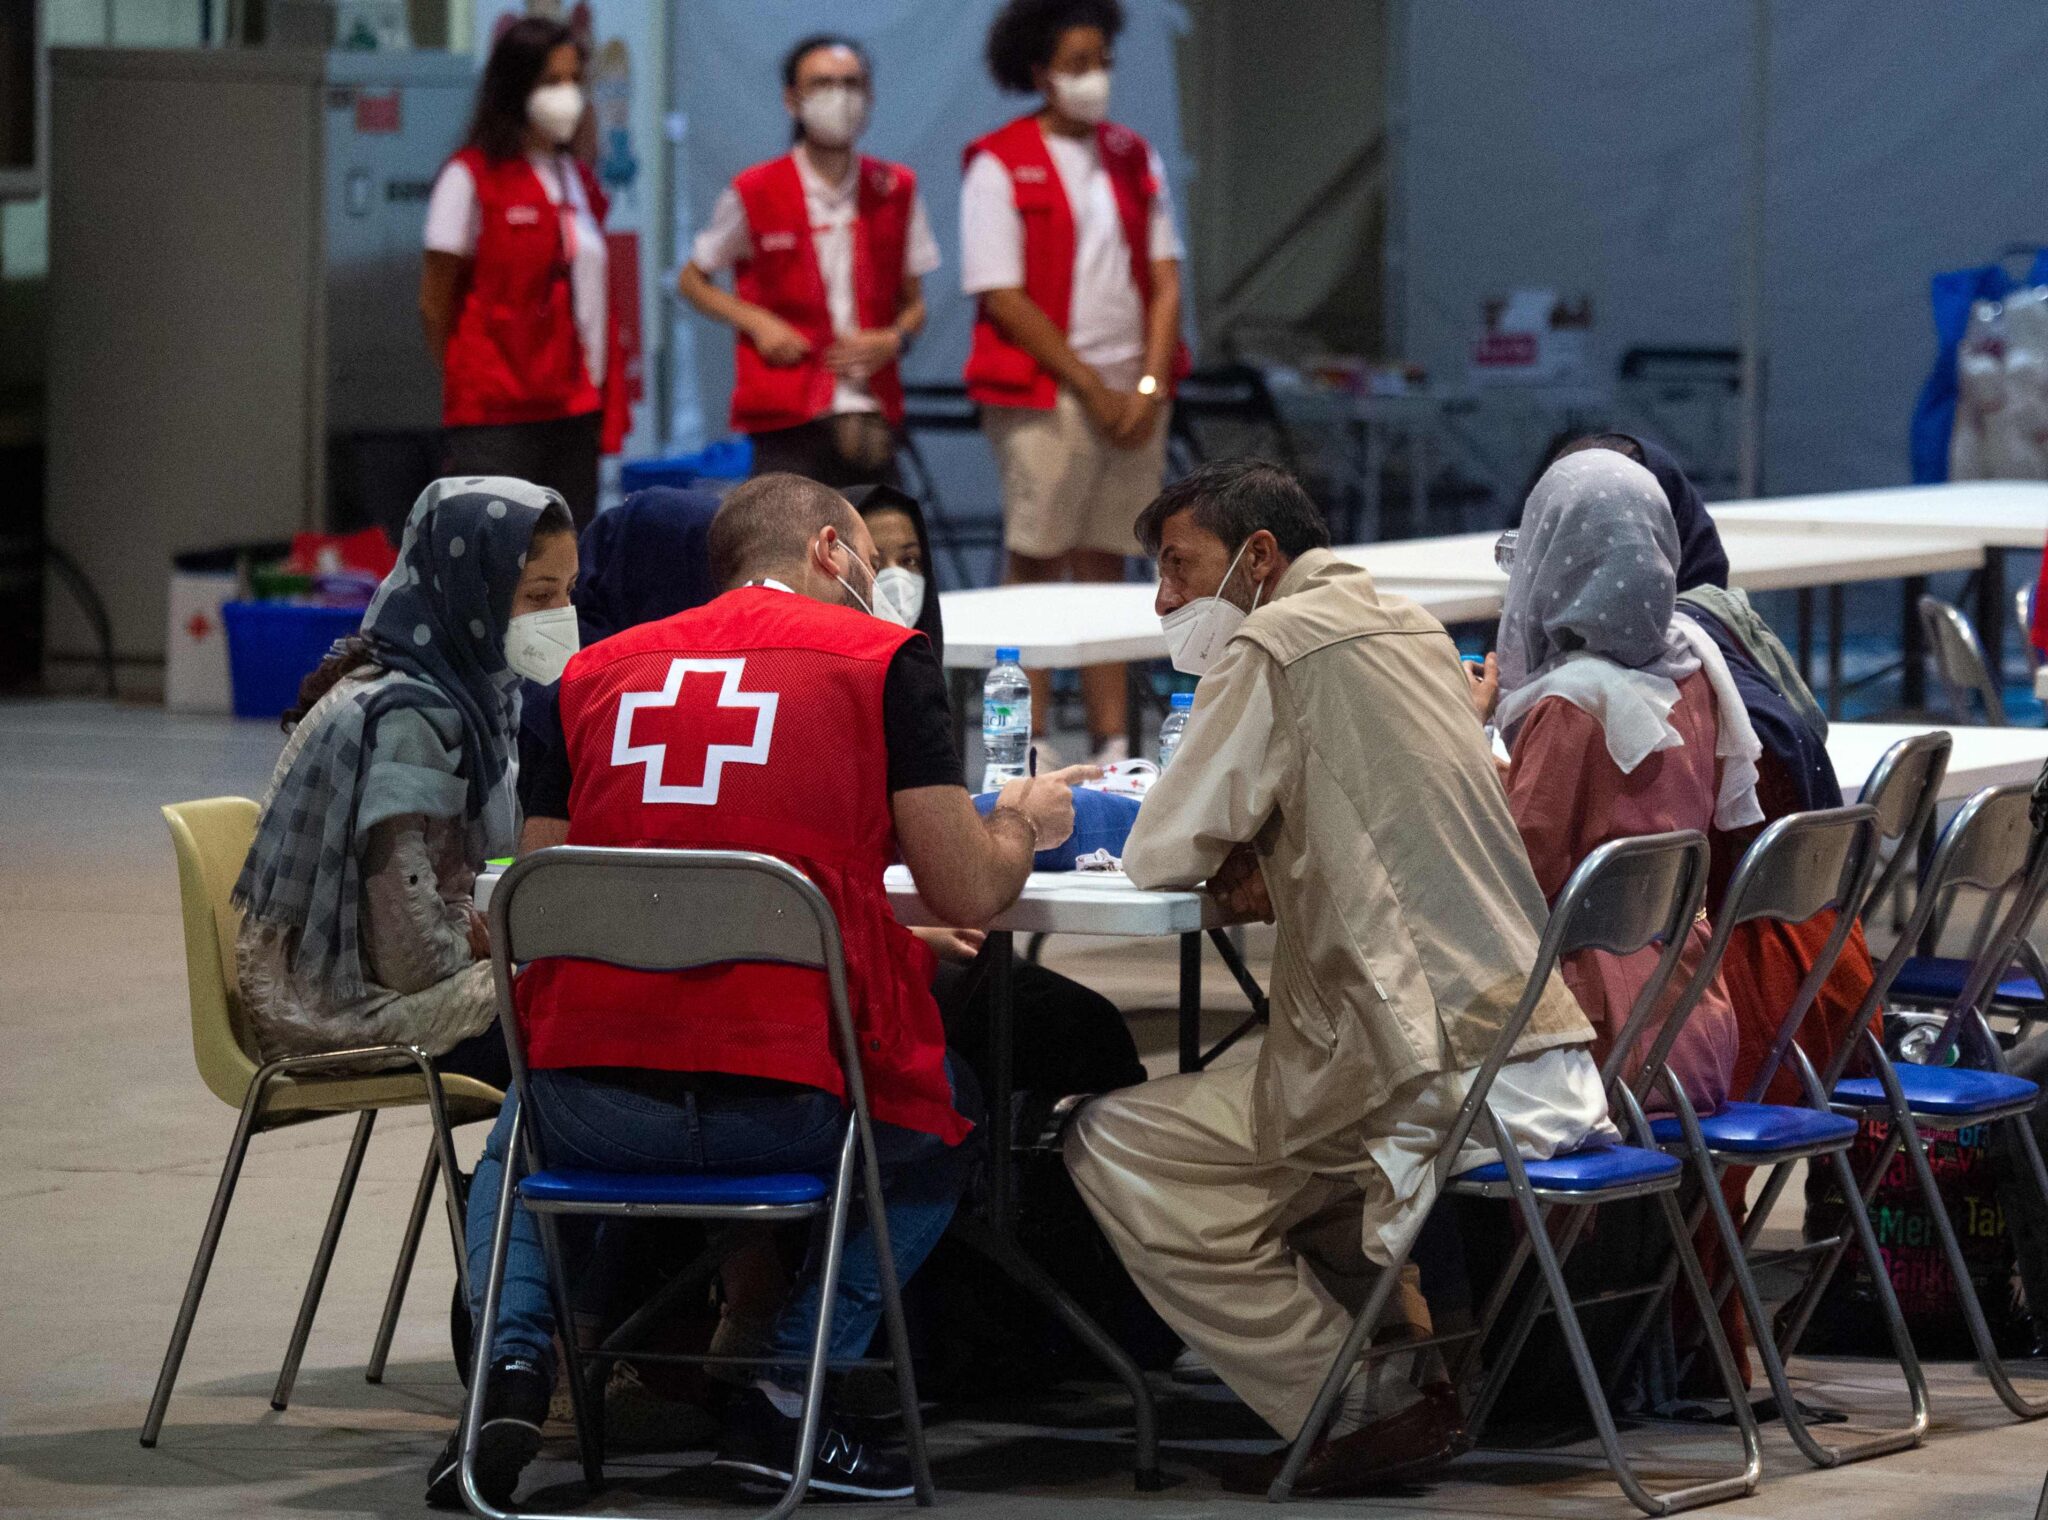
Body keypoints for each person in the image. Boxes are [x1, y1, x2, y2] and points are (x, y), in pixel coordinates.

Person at [433, 473, 1100, 1509]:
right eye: (872, 568)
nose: (882, 590)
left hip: (594, 1115)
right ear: (829, 550)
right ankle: (786, 1390)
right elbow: (965, 885)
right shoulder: (881, 665)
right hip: (788, 1111)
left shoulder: (582, 680)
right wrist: (1022, 818)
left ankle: (511, 1369)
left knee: (529, 1103)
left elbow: (542, 897)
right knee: (952, 1110)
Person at [1062, 459, 1614, 1497]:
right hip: (1535, 1044)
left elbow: (1159, 850)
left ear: (1259, 558)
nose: (1163, 601)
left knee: (1114, 1141)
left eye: (1180, 569)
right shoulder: (1408, 627)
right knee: (1276, 1133)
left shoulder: (1272, 642)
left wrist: (1227, 849)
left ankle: (1357, 1398)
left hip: (1426, 1065)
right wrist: (1274, 846)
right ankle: (1409, 1367)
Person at [235, 478, 579, 1090]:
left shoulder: (471, 694)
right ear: (471, 593)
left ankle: (512, 1185)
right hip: (339, 1011)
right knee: (578, 1014)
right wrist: (478, 947)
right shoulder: (408, 721)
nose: (559, 617)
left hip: (388, 984)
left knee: (579, 988)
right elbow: (410, 958)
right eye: (537, 595)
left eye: (568, 593)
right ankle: (510, 1187)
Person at [1484, 449, 1749, 1118]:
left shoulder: (1572, 704)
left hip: (1589, 1040)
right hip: (1694, 1013)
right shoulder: (1696, 672)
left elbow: (1515, 875)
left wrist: (1465, 744)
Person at [962, 0, 1186, 764]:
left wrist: (1150, 383)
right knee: (1037, 559)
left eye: (1103, 62)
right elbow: (1002, 294)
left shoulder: (1133, 155)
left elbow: (1165, 277)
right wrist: (1093, 388)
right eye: (1078, 63)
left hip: (1134, 392)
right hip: (1044, 392)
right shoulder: (998, 159)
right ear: (1040, 72)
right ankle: (1016, 746)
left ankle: (1113, 741)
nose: (1096, 79)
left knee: (1109, 563)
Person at [678, 35, 938, 488]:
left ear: (870, 96)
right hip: (787, 408)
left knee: (885, 547)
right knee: (789, 548)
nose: (839, 97)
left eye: (851, 84)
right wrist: (758, 322)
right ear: (791, 99)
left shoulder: (895, 188)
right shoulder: (755, 189)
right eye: (822, 84)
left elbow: (915, 304)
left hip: (872, 407)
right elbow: (692, 280)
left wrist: (893, 339)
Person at [421, 17, 628, 531]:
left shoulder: (575, 176)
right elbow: (434, 301)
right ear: (516, 87)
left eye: (575, 81)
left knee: (563, 562)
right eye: (551, 82)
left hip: (575, 406)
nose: (569, 96)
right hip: (496, 415)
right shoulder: (469, 176)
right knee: (496, 564)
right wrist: (477, 374)